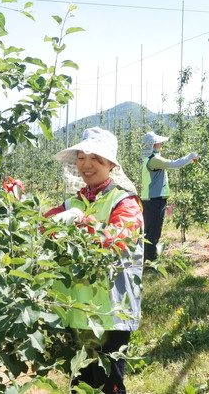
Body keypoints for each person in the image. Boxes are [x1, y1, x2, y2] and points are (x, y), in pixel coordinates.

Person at [45, 127, 144, 393]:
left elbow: (118, 238)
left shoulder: (125, 202)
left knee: (109, 383)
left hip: (110, 312)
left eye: (96, 159)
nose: (86, 165)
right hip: (76, 309)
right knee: (79, 383)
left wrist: (83, 220)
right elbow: (40, 226)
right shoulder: (71, 202)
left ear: (111, 164)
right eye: (81, 158)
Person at [140, 131, 198, 261]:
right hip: (154, 199)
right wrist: (190, 156)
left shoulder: (149, 158)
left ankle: (147, 258)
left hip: (151, 199)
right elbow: (175, 164)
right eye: (159, 142)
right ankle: (150, 261)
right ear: (154, 144)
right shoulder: (155, 160)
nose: (161, 144)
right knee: (153, 231)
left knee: (150, 230)